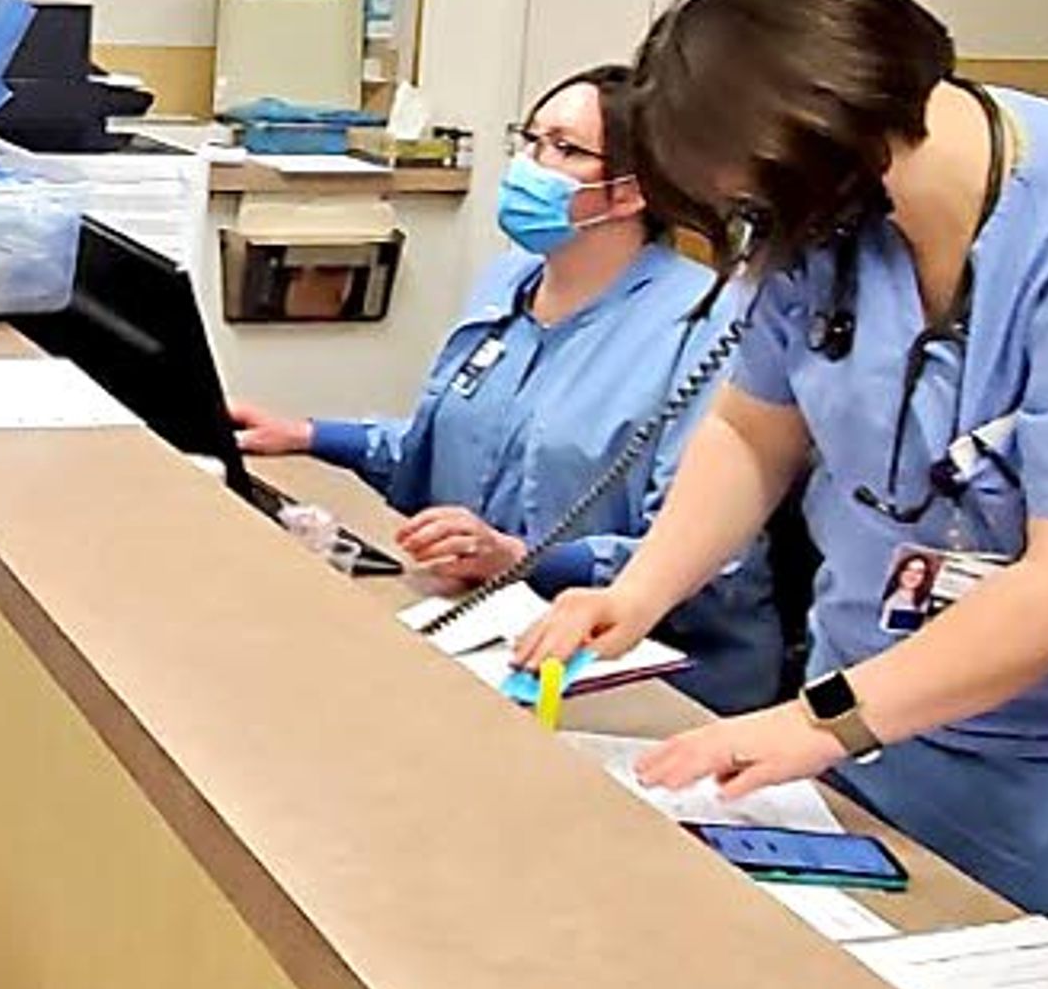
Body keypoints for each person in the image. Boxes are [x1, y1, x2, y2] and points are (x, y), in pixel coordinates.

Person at [514, 0, 1048, 989]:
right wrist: (641, 590)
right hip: (872, 718)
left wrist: (823, 722)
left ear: (832, 139)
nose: (754, 231)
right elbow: (758, 426)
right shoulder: (830, 223)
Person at [232, 67, 784, 713]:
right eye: (529, 141)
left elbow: (703, 554)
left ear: (630, 193)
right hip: (486, 628)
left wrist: (520, 557)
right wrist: (307, 434)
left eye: (565, 149)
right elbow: (441, 441)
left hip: (641, 675)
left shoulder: (708, 322)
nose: (532, 165)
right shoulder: (511, 280)